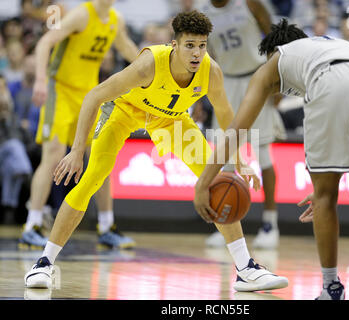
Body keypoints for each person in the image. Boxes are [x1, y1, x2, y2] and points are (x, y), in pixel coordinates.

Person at [24, 10, 289, 293]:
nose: (197, 53)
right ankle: (43, 263)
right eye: (189, 45)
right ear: (175, 45)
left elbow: (227, 118)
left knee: (216, 182)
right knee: (92, 179)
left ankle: (245, 268)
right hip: (124, 112)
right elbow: (94, 96)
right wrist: (77, 150)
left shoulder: (211, 71)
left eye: (201, 45)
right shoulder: (148, 64)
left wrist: (239, 162)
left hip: (171, 119)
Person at [194, 19, 349, 300]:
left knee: (325, 199)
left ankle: (331, 288)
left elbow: (237, 129)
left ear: (274, 51)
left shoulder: (274, 63)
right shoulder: (329, 44)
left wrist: (204, 183)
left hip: (329, 84)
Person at [20, 0, 140, 249]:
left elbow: (126, 47)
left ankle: (107, 227)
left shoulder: (115, 20)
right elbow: (44, 44)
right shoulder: (80, 15)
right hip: (60, 91)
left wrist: (154, 64)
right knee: (52, 154)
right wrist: (41, 80)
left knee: (101, 156)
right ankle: (32, 225)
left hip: (89, 95)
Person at [202, 0, 286, 249]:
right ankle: (226, 223)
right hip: (225, 83)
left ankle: (270, 224)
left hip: (255, 79)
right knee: (225, 157)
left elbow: (274, 38)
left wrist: (276, 78)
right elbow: (208, 54)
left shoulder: (249, 4)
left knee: (262, 154)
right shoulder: (203, 13)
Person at [0, 74, 33, 223]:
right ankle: (28, 175)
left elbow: (22, 138)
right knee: (14, 149)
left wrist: (7, 118)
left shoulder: (11, 110)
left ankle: (9, 209)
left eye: (3, 87)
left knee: (11, 166)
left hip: (8, 157)